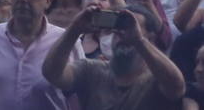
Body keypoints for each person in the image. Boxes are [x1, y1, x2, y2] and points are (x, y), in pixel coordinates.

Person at [41, 6, 185, 109]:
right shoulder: (92, 70)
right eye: (119, 28)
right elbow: (52, 73)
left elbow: (177, 86)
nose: (122, 34)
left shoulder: (156, 79)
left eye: (131, 28)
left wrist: (138, 41)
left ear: (150, 38)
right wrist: (74, 29)